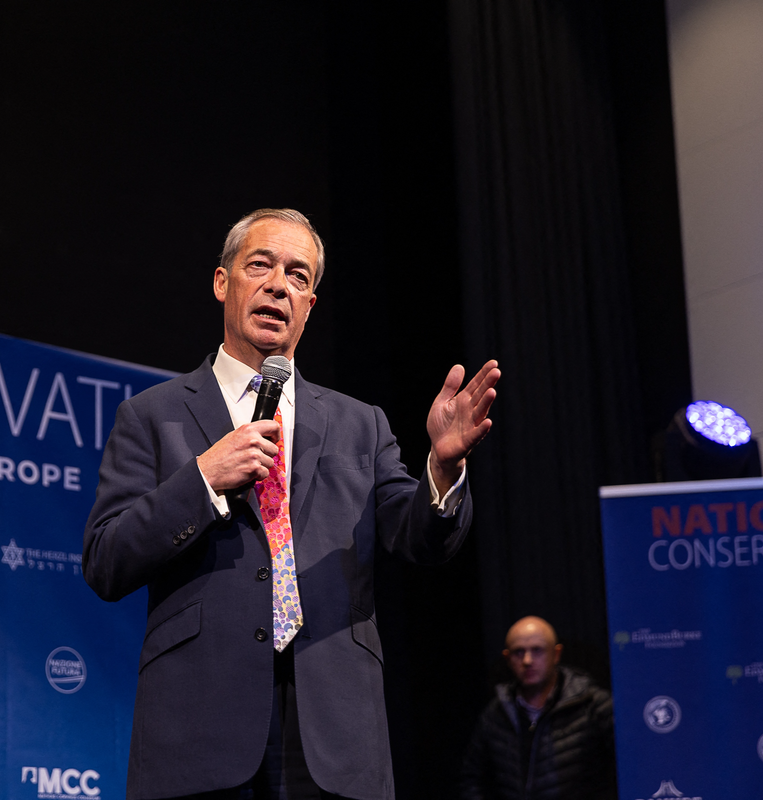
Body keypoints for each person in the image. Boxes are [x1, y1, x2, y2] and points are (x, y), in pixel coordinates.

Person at [83, 208, 500, 800]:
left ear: (309, 306)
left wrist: (444, 466)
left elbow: (419, 537)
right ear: (223, 282)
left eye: (299, 276)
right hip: (200, 729)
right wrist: (202, 479)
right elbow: (105, 559)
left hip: (334, 734)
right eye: (261, 265)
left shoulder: (360, 423)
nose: (280, 284)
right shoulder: (153, 416)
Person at [457, 616, 616, 800]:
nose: (527, 660)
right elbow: (471, 778)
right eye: (518, 652)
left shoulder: (594, 706)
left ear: (556, 654)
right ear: (507, 659)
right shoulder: (496, 713)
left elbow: (630, 768)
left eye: (537, 650)